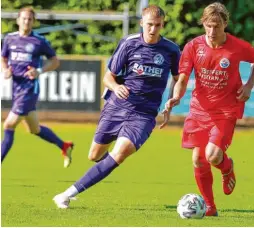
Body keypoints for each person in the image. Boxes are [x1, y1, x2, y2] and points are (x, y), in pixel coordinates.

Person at [53, 5, 181, 209]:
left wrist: (173, 100)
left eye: (157, 25)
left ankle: (66, 194)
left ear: (162, 25)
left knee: (121, 152)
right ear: (141, 23)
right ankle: (106, 165)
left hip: (145, 113)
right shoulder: (129, 44)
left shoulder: (171, 50)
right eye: (149, 25)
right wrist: (116, 86)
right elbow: (108, 77)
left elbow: (178, 78)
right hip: (117, 106)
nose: (153, 29)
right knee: (94, 156)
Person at [164, 2, 254, 216]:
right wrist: (175, 97)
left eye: (216, 26)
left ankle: (227, 168)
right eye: (208, 25)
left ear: (225, 24)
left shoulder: (237, 47)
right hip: (199, 110)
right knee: (198, 159)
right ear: (203, 24)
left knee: (212, 156)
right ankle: (210, 207)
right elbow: (182, 78)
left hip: (226, 110)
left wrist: (249, 86)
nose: (211, 31)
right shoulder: (193, 46)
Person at [1, 6, 74, 167]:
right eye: (24, 18)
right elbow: (3, 57)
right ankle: (64, 146)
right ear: (18, 20)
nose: (26, 21)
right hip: (16, 88)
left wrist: (39, 71)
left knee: (8, 124)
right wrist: (5, 70)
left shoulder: (39, 41)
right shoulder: (9, 39)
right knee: (34, 129)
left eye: (30, 19)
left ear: (33, 22)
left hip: (29, 89)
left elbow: (55, 61)